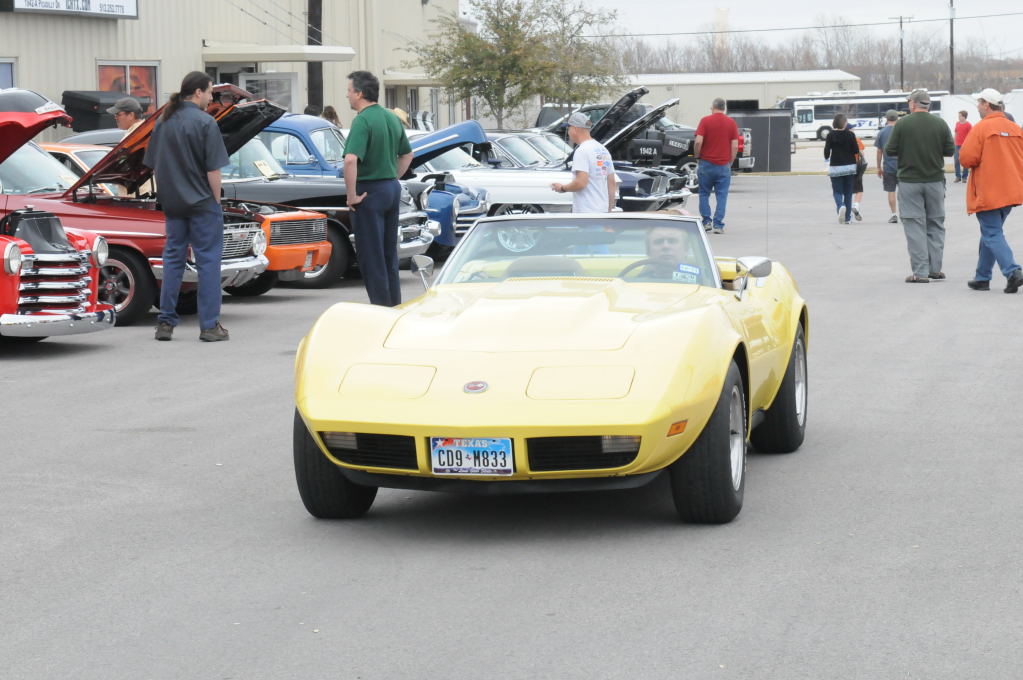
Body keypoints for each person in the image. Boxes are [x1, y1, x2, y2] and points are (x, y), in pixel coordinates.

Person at [144, 71, 230, 342]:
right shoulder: (206, 122)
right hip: (203, 204)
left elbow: (155, 165)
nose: (211, 97)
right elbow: (213, 170)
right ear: (198, 92)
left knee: (172, 261)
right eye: (210, 92)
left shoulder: (163, 121)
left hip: (173, 204)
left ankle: (165, 323)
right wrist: (216, 201)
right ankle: (209, 326)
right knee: (208, 263)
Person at [343, 70, 413, 307]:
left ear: (360, 93)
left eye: (349, 91)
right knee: (388, 254)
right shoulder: (391, 117)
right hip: (390, 188)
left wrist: (351, 196)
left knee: (371, 256)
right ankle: (394, 305)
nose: (347, 95)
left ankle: (381, 309)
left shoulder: (362, 120)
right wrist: (391, 177)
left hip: (369, 192)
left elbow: (350, 160)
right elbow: (407, 154)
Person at [885, 88, 955, 283]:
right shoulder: (940, 123)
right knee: (935, 223)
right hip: (935, 181)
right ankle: (935, 269)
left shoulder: (903, 124)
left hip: (910, 181)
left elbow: (890, 150)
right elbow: (950, 150)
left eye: (909, 102)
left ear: (913, 104)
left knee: (914, 224)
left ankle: (921, 272)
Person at [958, 88, 1023, 293]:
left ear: (987, 105)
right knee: (991, 232)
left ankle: (1013, 271)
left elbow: (966, 159)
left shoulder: (981, 128)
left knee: (992, 232)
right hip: (1011, 191)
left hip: (989, 191)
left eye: (979, 103)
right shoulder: (1015, 128)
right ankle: (982, 277)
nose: (977, 107)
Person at [550, 112, 616, 213]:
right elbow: (611, 182)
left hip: (586, 212)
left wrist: (562, 188)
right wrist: (609, 209)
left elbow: (580, 183)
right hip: (602, 211)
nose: (568, 132)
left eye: (569, 128)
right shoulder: (603, 149)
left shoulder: (582, 151)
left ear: (575, 129)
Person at [693, 97, 739, 233]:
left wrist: (697, 155)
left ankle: (706, 222)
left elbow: (698, 141)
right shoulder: (731, 123)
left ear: (712, 108)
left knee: (704, 194)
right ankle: (718, 225)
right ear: (724, 108)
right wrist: (730, 161)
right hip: (723, 165)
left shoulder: (705, 121)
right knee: (722, 196)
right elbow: (735, 146)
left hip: (706, 164)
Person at [823, 113, 859, 224]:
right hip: (849, 167)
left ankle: (840, 206)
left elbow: (826, 152)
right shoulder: (850, 135)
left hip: (836, 167)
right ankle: (847, 219)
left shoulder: (830, 135)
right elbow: (856, 150)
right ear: (844, 123)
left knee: (837, 191)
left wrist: (827, 157)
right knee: (848, 193)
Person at [874, 109, 900, 223]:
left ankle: (894, 215)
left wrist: (878, 167)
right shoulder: (902, 131)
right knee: (905, 191)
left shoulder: (882, 132)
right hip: (903, 166)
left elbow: (879, 151)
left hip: (889, 166)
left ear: (887, 119)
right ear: (897, 118)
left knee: (891, 191)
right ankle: (906, 213)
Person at [953, 110, 973, 183]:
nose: (959, 117)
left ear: (964, 117)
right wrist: (954, 142)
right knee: (956, 160)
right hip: (957, 145)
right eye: (959, 116)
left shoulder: (968, 125)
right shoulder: (957, 123)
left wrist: (969, 144)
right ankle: (958, 177)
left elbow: (971, 135)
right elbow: (956, 133)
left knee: (965, 161)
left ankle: (964, 177)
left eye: (960, 116)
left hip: (965, 146)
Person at [852, 135, 868, 220]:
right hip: (856, 166)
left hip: (844, 166)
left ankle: (846, 210)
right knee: (859, 189)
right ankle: (856, 205)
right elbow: (862, 153)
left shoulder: (838, 138)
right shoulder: (856, 139)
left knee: (846, 190)